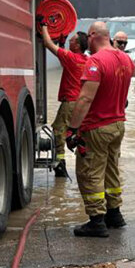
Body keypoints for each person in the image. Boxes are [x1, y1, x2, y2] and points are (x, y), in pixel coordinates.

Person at [66, 20, 134, 237]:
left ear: (93, 35)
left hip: (97, 126)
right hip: (118, 124)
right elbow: (122, 96)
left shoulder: (96, 61)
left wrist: (72, 129)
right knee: (111, 169)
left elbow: (85, 98)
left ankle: (96, 221)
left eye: (88, 36)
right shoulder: (126, 59)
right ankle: (114, 214)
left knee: (90, 172)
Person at [39, 24, 88, 177]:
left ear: (78, 45)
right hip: (81, 103)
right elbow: (65, 62)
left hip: (70, 103)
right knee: (79, 133)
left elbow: (47, 44)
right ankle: (84, 162)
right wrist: (62, 43)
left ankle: (61, 164)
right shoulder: (85, 60)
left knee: (58, 131)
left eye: (72, 40)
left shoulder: (72, 58)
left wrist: (43, 26)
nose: (69, 42)